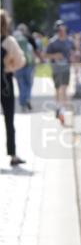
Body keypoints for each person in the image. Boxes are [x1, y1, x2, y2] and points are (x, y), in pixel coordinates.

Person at [1, 10, 27, 166]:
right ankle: (12, 154)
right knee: (9, 119)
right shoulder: (9, 41)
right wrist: (10, 65)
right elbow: (20, 61)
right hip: (5, 81)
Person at [44, 21, 74, 125]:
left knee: (64, 89)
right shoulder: (52, 42)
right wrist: (55, 55)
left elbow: (73, 53)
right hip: (56, 69)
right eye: (59, 30)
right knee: (58, 90)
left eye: (63, 29)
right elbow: (45, 55)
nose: (62, 31)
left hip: (66, 69)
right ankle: (58, 107)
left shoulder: (69, 41)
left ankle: (62, 111)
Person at [12, 24, 38, 111]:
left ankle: (22, 102)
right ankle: (27, 98)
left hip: (18, 65)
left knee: (21, 84)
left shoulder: (13, 40)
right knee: (29, 84)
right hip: (28, 64)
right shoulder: (29, 38)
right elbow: (34, 51)